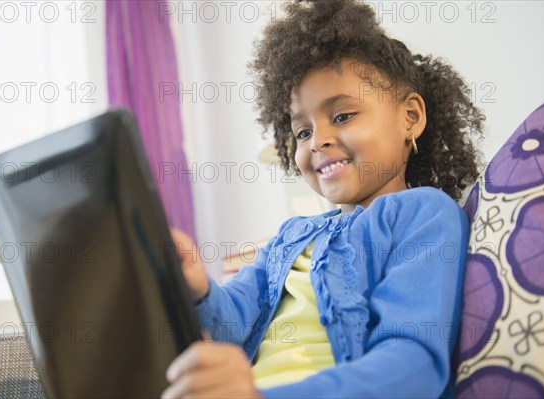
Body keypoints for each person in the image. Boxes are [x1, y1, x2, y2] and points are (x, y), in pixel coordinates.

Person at [162, 0, 485, 398]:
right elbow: (233, 325)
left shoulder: (423, 214)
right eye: (301, 132)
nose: (318, 141)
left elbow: (411, 367)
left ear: (410, 117)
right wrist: (197, 287)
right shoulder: (291, 236)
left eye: (344, 115)